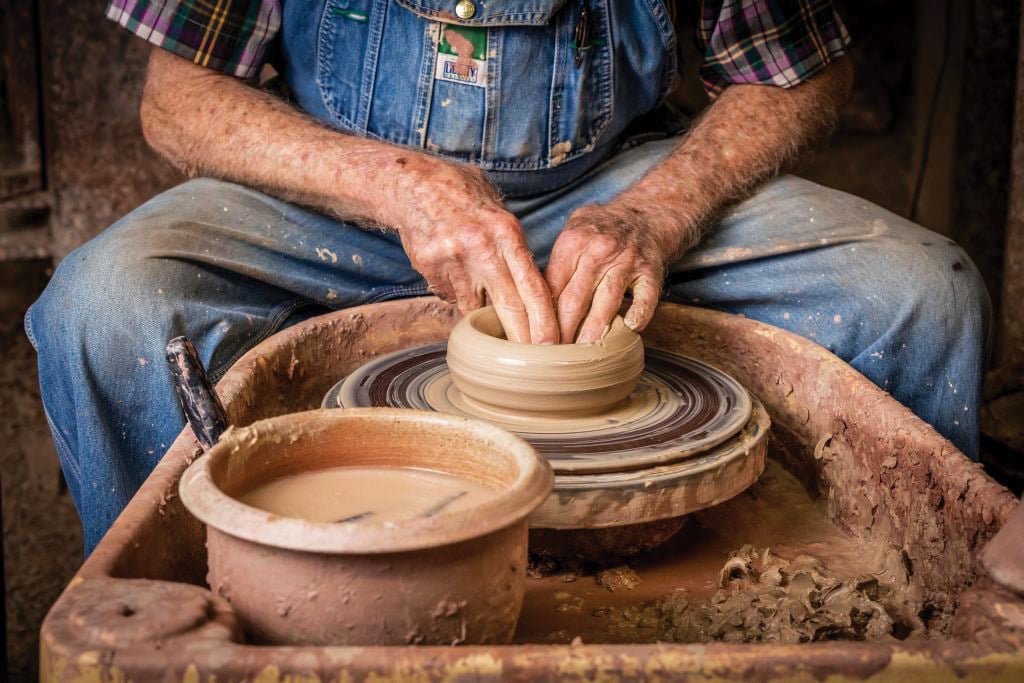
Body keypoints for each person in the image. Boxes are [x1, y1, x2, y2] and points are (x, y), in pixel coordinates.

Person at [27, 0, 989, 554]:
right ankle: (210, 612)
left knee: (918, 294)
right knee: (104, 308)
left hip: (611, 186)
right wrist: (392, 184)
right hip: (339, 191)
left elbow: (799, 69)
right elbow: (177, 99)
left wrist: (660, 208)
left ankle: (867, 606)